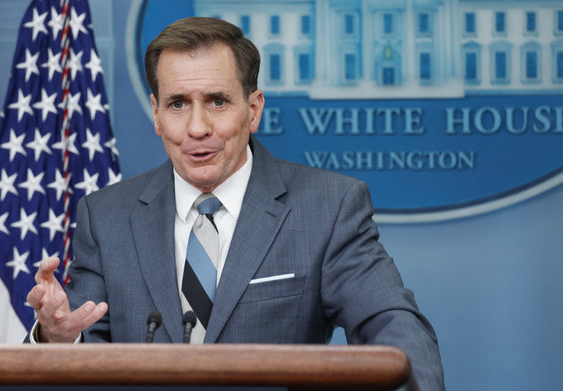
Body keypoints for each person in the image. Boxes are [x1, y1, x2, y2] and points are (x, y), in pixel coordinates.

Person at [27, 16, 445, 390]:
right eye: (178, 104)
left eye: (217, 102)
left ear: (254, 108)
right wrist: (58, 338)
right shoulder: (106, 216)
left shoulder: (328, 207)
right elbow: (82, 346)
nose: (197, 128)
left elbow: (393, 327)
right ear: (156, 114)